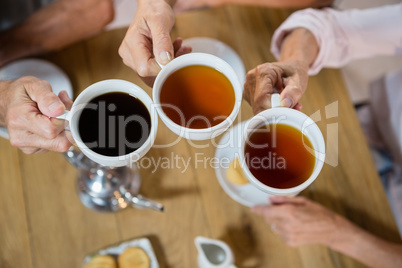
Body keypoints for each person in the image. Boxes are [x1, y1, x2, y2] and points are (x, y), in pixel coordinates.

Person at [245, 4, 402, 267]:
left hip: (385, 229)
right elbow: (329, 28)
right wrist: (294, 61)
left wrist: (337, 234)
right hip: (372, 125)